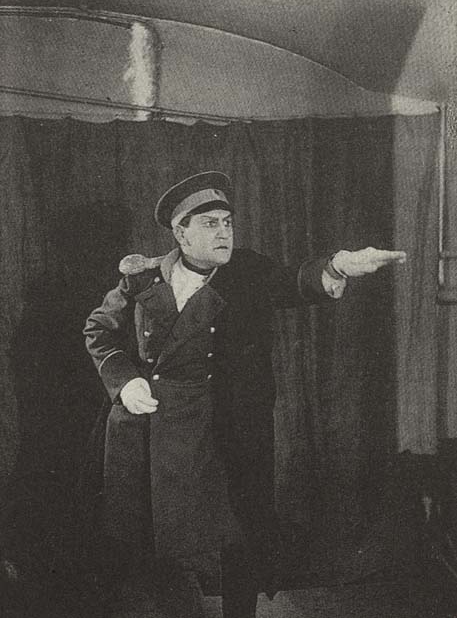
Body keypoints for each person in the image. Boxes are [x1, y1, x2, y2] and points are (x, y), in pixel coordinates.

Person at [84, 171, 406, 618]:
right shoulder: (141, 279)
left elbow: (293, 282)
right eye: (210, 224)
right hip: (155, 428)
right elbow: (99, 330)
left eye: (228, 223)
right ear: (181, 233)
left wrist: (336, 266)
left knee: (239, 534)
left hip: (225, 427)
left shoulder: (248, 272)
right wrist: (124, 381)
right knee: (158, 540)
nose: (224, 233)